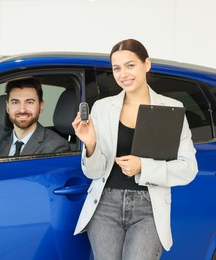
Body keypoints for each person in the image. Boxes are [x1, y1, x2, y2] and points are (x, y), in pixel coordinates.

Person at [72, 39, 198, 259]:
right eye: (116, 68)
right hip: (105, 206)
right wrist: (90, 144)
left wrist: (143, 166)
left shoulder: (171, 109)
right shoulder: (102, 108)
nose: (123, 74)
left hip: (148, 208)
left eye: (130, 65)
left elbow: (188, 169)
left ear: (146, 64)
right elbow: (93, 172)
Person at [0, 78, 70, 159]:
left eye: (29, 102)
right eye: (15, 102)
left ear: (41, 106)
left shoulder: (56, 146)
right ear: (7, 107)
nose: (22, 109)